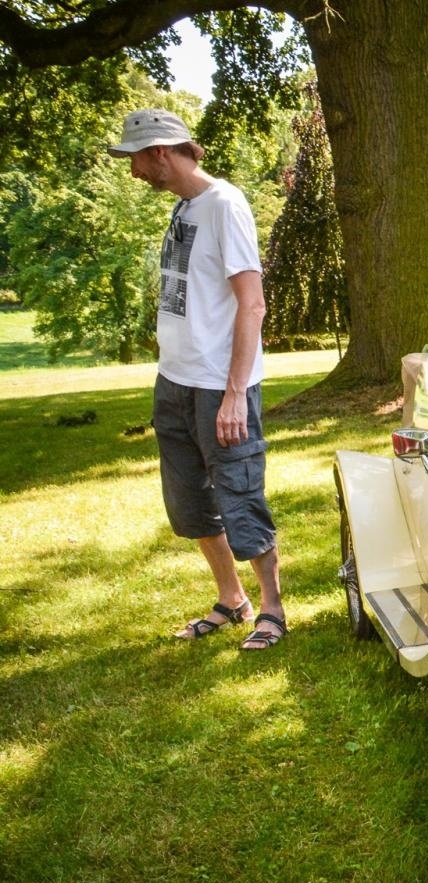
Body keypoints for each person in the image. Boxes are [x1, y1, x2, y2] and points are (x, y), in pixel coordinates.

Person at [110, 108, 286, 651]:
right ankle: (231, 599)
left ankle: (272, 609)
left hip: (218, 385)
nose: (132, 170)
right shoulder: (185, 206)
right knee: (190, 502)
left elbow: (251, 305)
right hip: (176, 382)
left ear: (160, 151)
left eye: (135, 158)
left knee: (239, 494)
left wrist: (235, 393)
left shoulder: (225, 206)